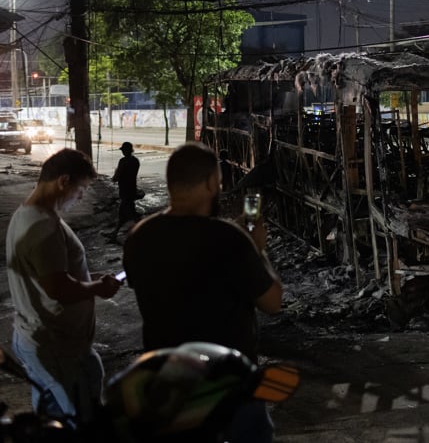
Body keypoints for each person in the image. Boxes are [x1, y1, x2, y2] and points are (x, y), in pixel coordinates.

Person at [123, 142, 283, 443]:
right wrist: (257, 249)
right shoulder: (230, 240)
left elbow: (180, 262)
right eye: (218, 183)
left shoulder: (139, 236)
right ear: (211, 182)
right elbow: (273, 302)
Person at [5, 149, 122, 424]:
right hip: (55, 345)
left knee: (60, 406)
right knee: (75, 420)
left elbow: (51, 273)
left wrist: (91, 276)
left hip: (55, 341)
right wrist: (97, 288)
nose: (80, 197)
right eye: (81, 190)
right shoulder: (43, 227)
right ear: (63, 181)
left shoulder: (29, 216)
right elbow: (58, 288)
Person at [108, 141, 141, 242]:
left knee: (128, 213)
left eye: (123, 150)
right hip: (132, 189)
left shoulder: (123, 161)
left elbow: (117, 176)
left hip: (125, 191)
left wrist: (114, 177)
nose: (122, 152)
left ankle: (144, 230)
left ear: (125, 151)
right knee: (125, 213)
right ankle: (114, 234)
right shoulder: (136, 161)